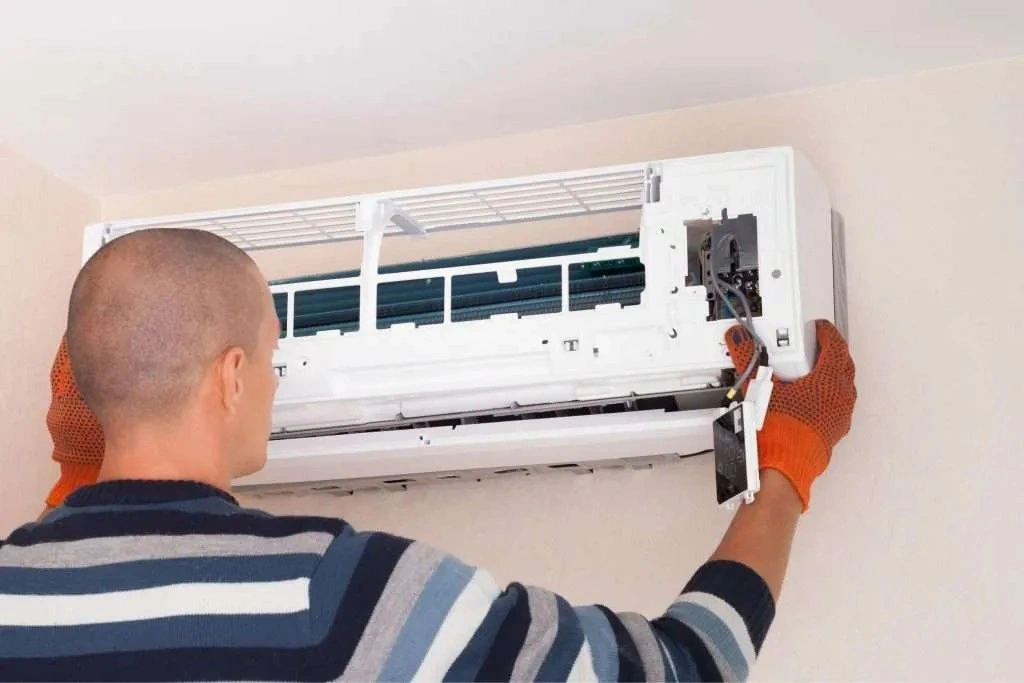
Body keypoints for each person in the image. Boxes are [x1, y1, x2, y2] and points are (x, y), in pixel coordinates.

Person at [0, 228, 856, 682]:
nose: (273, 381)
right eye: (271, 357)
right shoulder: (333, 593)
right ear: (230, 377)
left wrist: (80, 477)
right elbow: (681, 669)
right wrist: (787, 461)